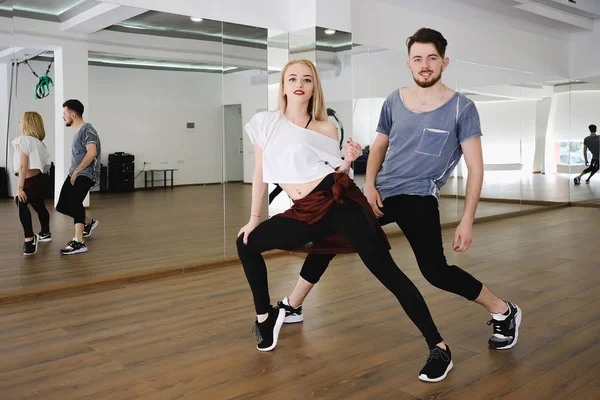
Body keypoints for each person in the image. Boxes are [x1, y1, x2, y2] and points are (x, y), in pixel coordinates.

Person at [277, 28, 523, 353]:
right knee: (331, 239)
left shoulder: (462, 109)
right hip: (379, 191)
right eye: (417, 58)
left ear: (444, 62)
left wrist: (466, 220)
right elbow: (378, 146)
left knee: (435, 271)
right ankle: (293, 304)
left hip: (419, 196)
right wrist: (367, 186)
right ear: (409, 64)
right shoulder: (395, 99)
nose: (424, 65)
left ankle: (503, 310)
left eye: (431, 58)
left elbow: (476, 168)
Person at [237, 59, 453, 383]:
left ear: (313, 88)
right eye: (292, 78)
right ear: (282, 86)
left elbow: (335, 171)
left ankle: (438, 347)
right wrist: (254, 219)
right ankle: (265, 317)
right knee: (246, 243)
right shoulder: (264, 123)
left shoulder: (325, 127)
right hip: (303, 210)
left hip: (338, 203)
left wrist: (348, 160)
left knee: (387, 273)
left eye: (307, 79)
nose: (299, 84)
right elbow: (259, 175)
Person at [56, 99, 100, 255]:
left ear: (73, 114)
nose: (63, 117)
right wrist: (73, 172)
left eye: (64, 113)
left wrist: (77, 171)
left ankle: (79, 241)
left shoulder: (88, 130)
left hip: (86, 173)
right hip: (74, 173)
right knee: (61, 205)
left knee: (75, 201)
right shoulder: (78, 132)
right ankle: (88, 222)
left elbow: (92, 152)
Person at [12, 112, 52, 255]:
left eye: (21, 120)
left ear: (27, 123)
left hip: (29, 181)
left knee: (20, 201)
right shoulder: (39, 143)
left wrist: (19, 188)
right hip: (40, 180)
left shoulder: (23, 140)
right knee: (39, 206)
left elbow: (23, 166)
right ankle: (46, 232)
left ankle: (29, 240)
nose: (19, 122)